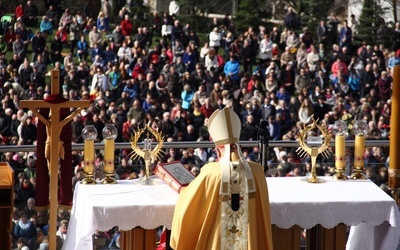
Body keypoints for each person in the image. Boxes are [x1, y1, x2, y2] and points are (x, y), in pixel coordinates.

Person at [170, 107, 273, 249]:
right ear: (238, 146)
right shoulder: (257, 171)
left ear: (218, 149)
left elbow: (189, 204)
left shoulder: (210, 172)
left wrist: (183, 190)